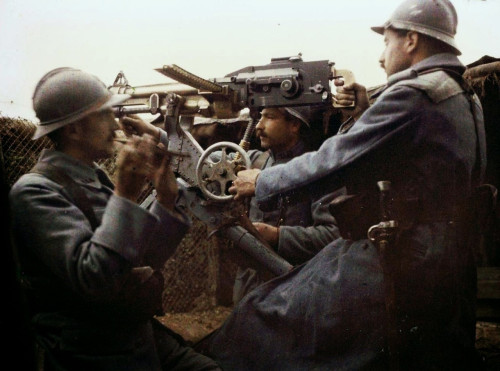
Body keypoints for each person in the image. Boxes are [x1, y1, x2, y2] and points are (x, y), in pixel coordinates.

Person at [204, 0, 487, 369]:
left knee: (258, 316)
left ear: (412, 40)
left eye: (386, 42)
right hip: (447, 263)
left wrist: (262, 181)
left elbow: (336, 161)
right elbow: (402, 158)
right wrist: (363, 111)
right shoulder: (461, 95)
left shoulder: (413, 95)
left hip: (402, 259)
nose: (382, 57)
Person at [8, 67, 221, 370]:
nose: (115, 123)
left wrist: (165, 199)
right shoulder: (33, 192)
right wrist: (125, 193)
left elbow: (142, 259)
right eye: (105, 114)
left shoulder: (93, 177)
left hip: (132, 336)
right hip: (92, 352)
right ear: (74, 130)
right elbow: (95, 278)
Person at [231, 106, 340, 304]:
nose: (259, 126)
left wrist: (276, 236)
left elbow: (333, 236)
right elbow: (208, 160)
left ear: (294, 125)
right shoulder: (254, 160)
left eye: (269, 117)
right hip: (249, 286)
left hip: (297, 288)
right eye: (259, 117)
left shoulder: (318, 170)